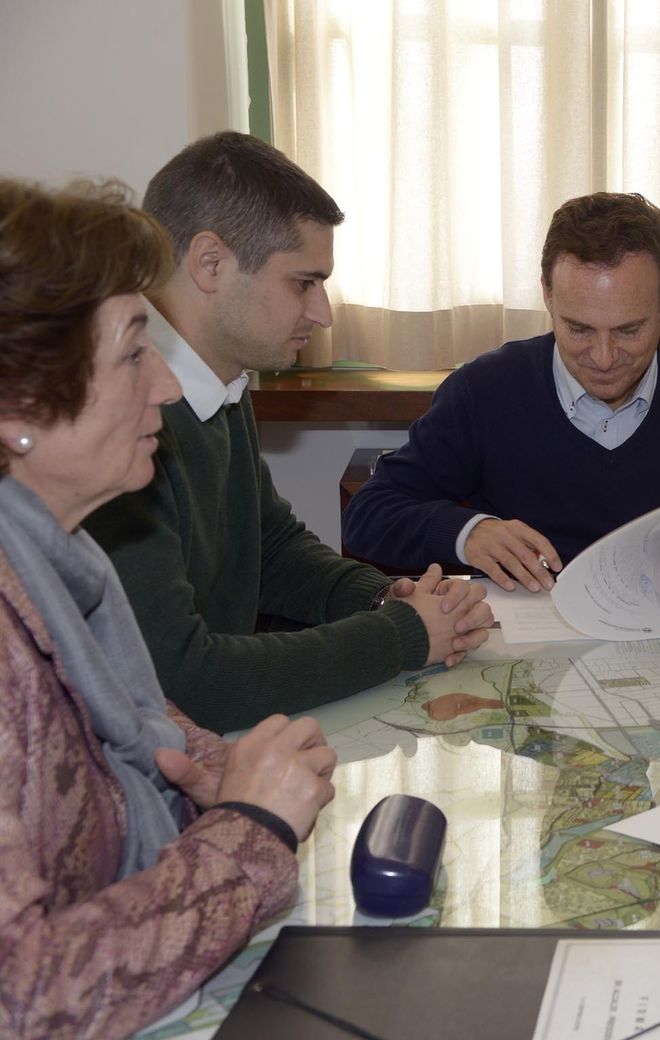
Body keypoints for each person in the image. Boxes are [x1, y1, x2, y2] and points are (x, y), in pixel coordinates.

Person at [0, 177, 336, 1038]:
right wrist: (250, 830)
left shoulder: (61, 560)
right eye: (132, 353)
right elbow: (23, 999)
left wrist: (208, 767)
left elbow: (128, 718)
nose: (166, 386)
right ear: (19, 405)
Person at [84, 133, 493, 735]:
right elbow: (185, 680)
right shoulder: (123, 421)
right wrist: (401, 635)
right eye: (303, 282)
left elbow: (270, 547)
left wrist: (384, 597)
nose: (322, 313)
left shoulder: (222, 383)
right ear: (210, 263)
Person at [340, 192, 660, 591]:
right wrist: (467, 532)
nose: (603, 358)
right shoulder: (485, 389)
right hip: (525, 649)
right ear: (547, 295)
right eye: (578, 329)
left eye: (629, 331)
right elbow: (369, 514)